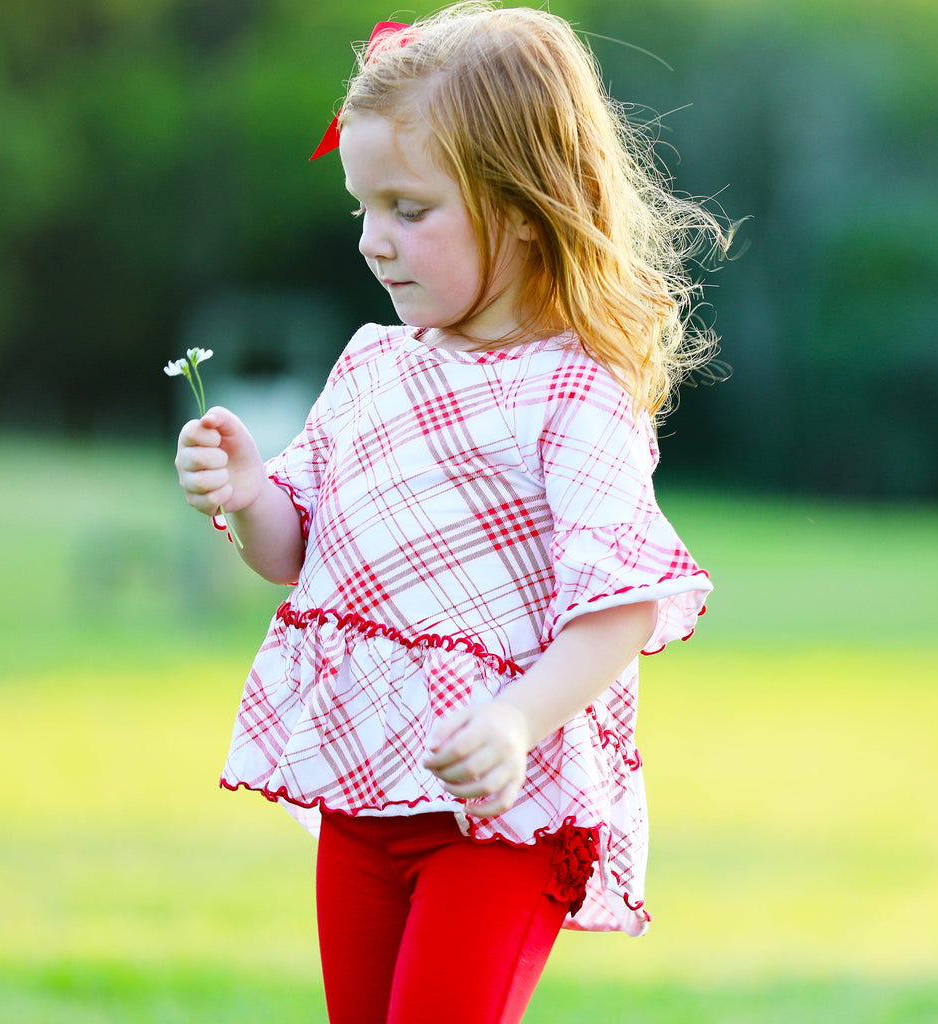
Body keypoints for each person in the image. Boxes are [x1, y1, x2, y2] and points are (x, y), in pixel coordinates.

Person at [174, 5, 731, 1022]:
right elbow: (299, 554)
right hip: (367, 788)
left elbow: (620, 604)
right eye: (361, 208)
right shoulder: (373, 366)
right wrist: (251, 497)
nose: (372, 241)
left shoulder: (572, 394)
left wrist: (519, 718)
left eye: (408, 208)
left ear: (523, 207)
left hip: (504, 812)